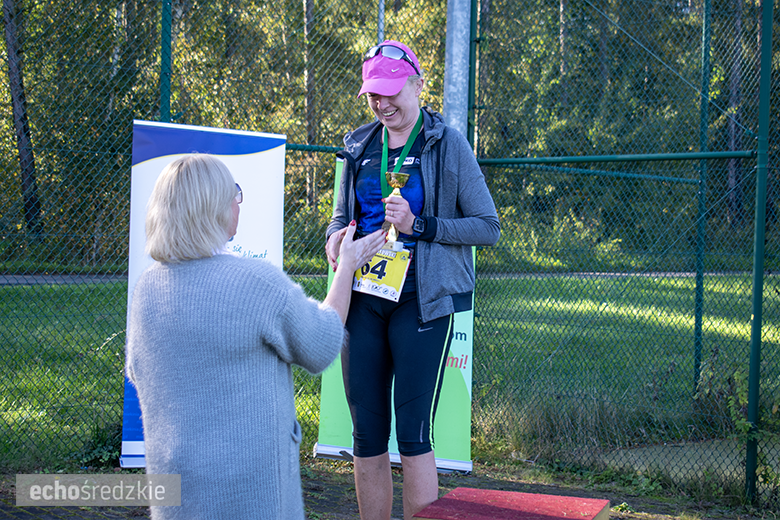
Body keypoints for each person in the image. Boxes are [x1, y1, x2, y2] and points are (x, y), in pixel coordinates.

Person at [125, 154, 386, 519]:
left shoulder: (147, 288)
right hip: (249, 491)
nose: (237, 202)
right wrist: (346, 268)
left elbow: (138, 372)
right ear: (213, 208)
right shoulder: (256, 283)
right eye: (233, 193)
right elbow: (322, 343)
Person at [325, 41, 501, 520]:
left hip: (420, 303)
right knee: (365, 433)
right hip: (361, 300)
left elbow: (488, 226)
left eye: (390, 92)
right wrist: (335, 242)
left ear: (417, 86)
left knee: (414, 433)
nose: (382, 104)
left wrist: (419, 226)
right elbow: (338, 219)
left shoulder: (447, 144)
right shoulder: (358, 146)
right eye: (372, 95)